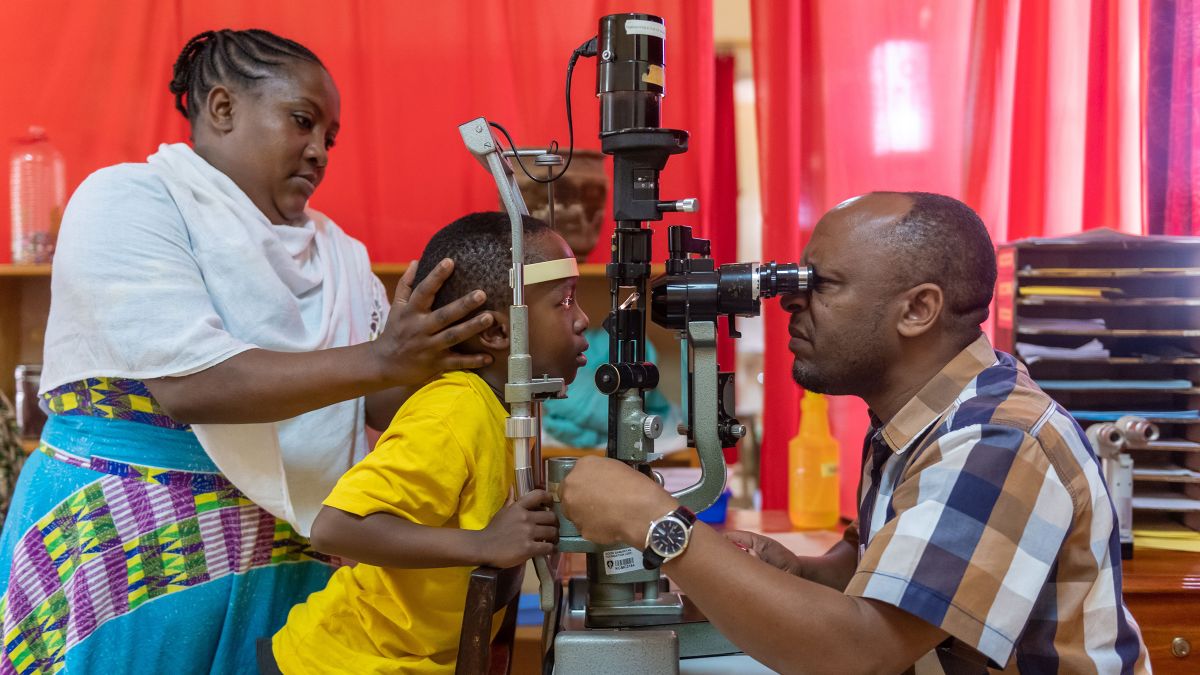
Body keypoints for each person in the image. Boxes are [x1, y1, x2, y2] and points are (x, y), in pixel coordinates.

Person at [0, 29, 496, 674]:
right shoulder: (130, 199)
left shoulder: (338, 252)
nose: (318, 151)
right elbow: (192, 387)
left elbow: (367, 403)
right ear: (222, 107)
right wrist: (383, 358)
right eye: (302, 121)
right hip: (125, 545)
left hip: (285, 555)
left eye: (330, 138)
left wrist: (452, 351)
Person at [561, 192, 1150, 673]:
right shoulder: (917, 417)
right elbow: (882, 563)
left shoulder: (996, 439)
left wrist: (657, 524)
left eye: (822, 283)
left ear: (917, 309)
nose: (790, 301)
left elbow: (858, 653)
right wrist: (802, 573)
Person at [269, 212, 588, 673]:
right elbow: (336, 527)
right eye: (565, 302)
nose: (583, 320)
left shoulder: (508, 408)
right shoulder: (453, 411)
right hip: (342, 663)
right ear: (498, 332)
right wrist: (482, 544)